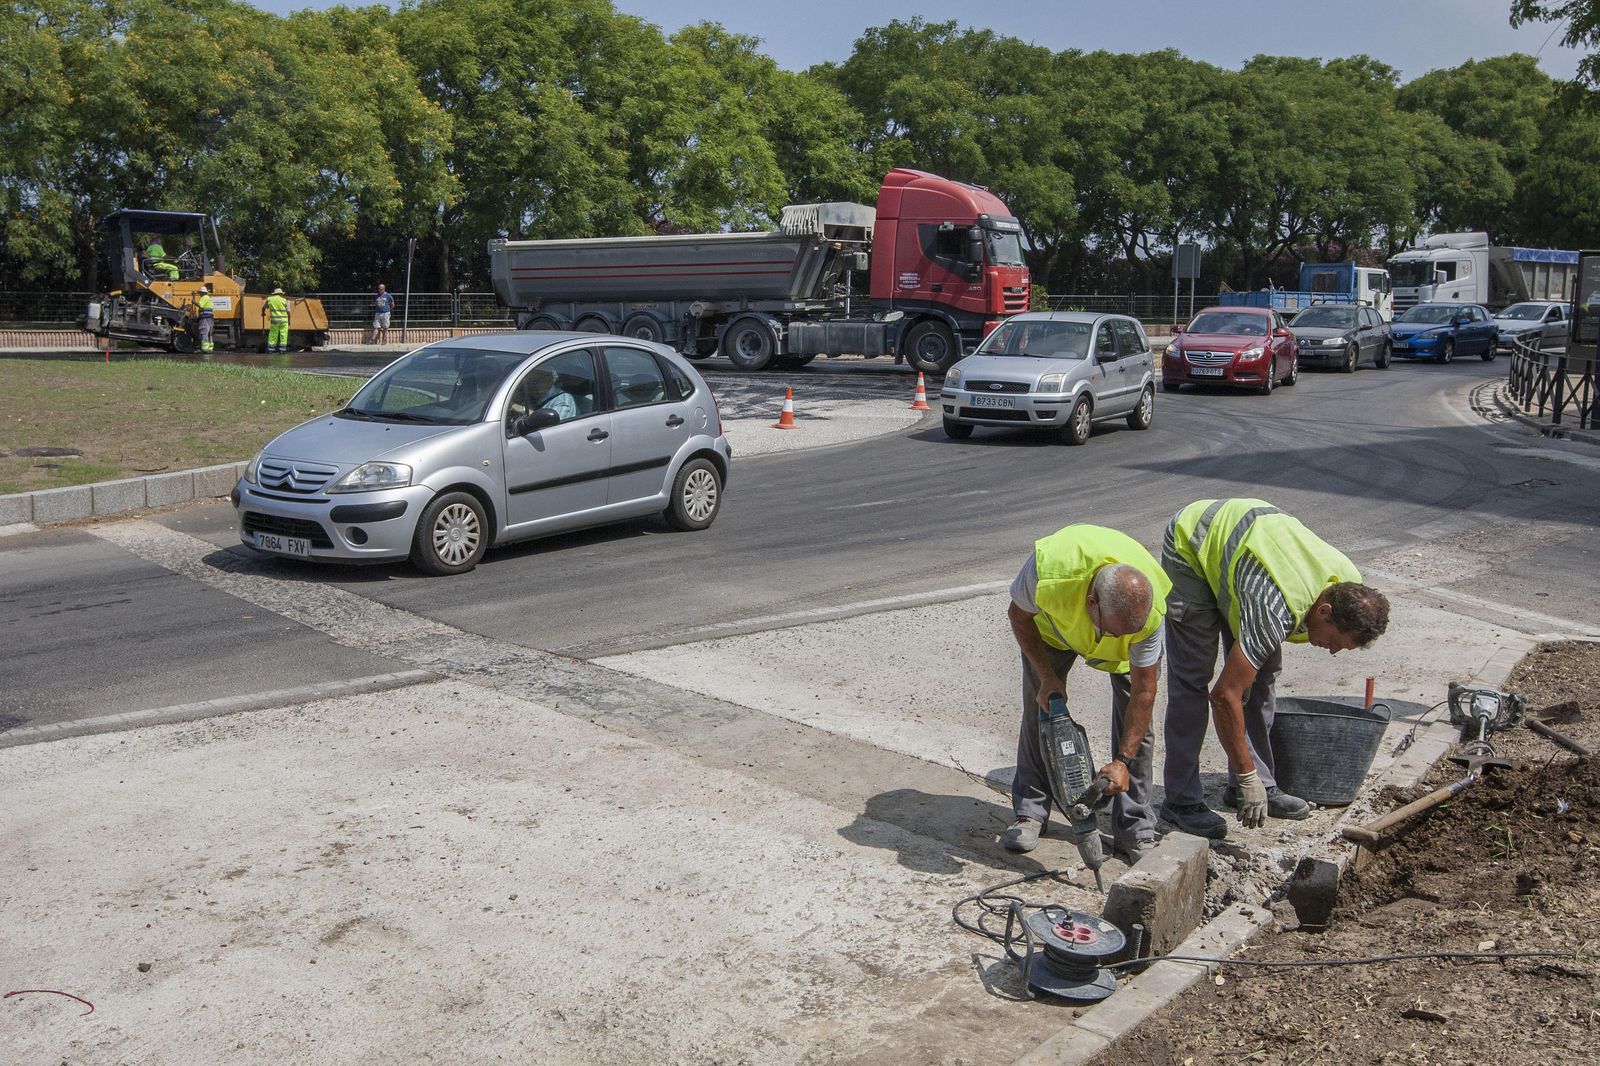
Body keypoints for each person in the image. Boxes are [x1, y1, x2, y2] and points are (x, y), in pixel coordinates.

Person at [1159, 498, 1390, 838]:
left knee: (1262, 676)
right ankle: (1181, 800)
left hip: (1250, 561)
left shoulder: (1348, 585)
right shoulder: (1274, 609)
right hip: (1193, 544)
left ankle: (1257, 784)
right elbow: (1224, 696)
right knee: (1192, 679)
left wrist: (1249, 779)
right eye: (1335, 641)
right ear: (1324, 612)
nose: (1333, 652)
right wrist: (1245, 773)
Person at [1003, 523, 1170, 865]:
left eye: (1127, 633)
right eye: (1114, 631)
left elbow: (1144, 691)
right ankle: (1030, 812)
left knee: (1139, 731)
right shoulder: (1049, 573)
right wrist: (1047, 677)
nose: (1118, 639)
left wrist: (1122, 762)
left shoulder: (1148, 616)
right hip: (1052, 634)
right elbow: (1018, 617)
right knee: (1040, 711)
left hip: (1124, 652)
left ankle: (1135, 827)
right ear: (1091, 602)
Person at [264, 287, 290, 353]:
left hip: (274, 320)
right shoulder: (285, 300)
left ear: (274, 293)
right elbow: (288, 311)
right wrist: (289, 320)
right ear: (281, 294)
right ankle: (282, 350)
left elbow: (263, 307)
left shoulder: (269, 299)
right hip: (284, 321)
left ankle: (270, 349)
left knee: (273, 334)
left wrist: (263, 313)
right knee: (283, 334)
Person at [195, 283, 215, 352]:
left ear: (202, 292)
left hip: (205, 317)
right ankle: (210, 348)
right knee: (209, 333)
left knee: (204, 332)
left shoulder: (204, 298)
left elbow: (200, 306)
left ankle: (205, 348)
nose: (200, 294)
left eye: (200, 293)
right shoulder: (209, 298)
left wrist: (194, 302)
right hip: (210, 317)